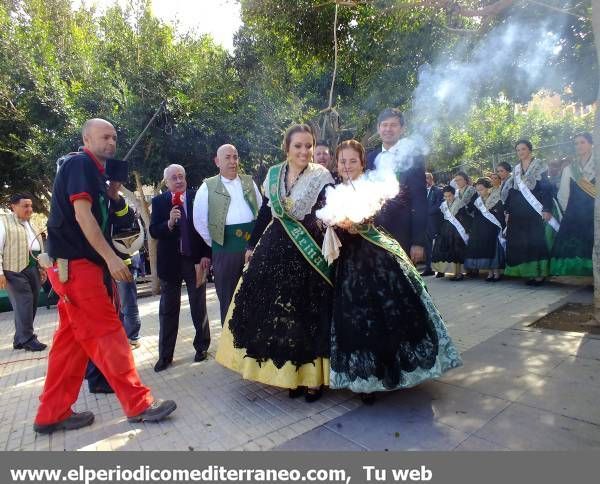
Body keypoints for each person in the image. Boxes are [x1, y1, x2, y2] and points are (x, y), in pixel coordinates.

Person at [34, 118, 176, 434]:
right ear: (87, 139)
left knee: (69, 344)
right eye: (104, 137)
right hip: (77, 267)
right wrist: (111, 258)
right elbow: (83, 216)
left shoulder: (97, 174)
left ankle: (50, 413)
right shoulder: (80, 164)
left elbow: (111, 220)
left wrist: (111, 194)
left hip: (73, 268)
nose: (111, 143)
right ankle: (139, 405)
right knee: (109, 334)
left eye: (114, 137)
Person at [328, 140, 462, 404]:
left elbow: (382, 218)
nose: (347, 165)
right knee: (355, 319)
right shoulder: (332, 189)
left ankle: (389, 373)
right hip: (347, 264)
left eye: (352, 161)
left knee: (382, 316)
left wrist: (361, 220)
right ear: (337, 163)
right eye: (342, 161)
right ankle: (365, 380)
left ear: (362, 163)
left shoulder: (374, 185)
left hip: (375, 259)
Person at [216, 124, 334, 403]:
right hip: (276, 248)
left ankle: (313, 380)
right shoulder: (273, 174)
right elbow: (265, 213)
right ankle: (292, 375)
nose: (304, 151)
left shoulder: (322, 175)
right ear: (287, 148)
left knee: (308, 313)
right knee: (284, 315)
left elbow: (329, 211)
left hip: (309, 251)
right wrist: (252, 244)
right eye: (298, 146)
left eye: (308, 145)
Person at [149, 164, 211, 372]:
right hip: (170, 264)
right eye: (174, 178)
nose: (178, 180)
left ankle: (202, 347)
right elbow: (154, 231)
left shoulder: (197, 197)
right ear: (166, 182)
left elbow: (205, 227)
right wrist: (168, 223)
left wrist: (205, 255)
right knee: (168, 310)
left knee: (198, 305)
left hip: (194, 260)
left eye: (181, 176)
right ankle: (165, 356)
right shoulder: (159, 202)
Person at [193, 144, 262, 325]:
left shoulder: (249, 182)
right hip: (225, 251)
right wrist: (219, 242)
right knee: (229, 300)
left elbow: (262, 213)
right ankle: (229, 349)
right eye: (227, 157)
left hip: (252, 248)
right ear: (217, 161)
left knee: (256, 298)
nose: (233, 161)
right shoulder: (206, 187)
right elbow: (199, 222)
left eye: (235, 157)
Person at [366, 108, 427, 263]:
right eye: (384, 125)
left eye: (393, 125)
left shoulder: (414, 158)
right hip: (372, 236)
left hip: (402, 236)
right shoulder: (369, 158)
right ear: (378, 128)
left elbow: (419, 201)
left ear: (402, 129)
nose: (388, 129)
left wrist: (418, 242)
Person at [504, 140, 555, 285]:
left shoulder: (539, 165)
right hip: (519, 210)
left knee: (536, 240)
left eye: (523, 149)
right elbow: (513, 191)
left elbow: (546, 188)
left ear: (530, 150)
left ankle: (539, 274)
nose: (520, 152)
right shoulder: (517, 169)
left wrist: (546, 208)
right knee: (523, 241)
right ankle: (529, 273)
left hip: (535, 209)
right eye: (518, 150)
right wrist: (508, 210)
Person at [0, 193, 47, 352]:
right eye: (25, 206)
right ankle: (28, 338)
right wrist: (0, 273)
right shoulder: (4, 222)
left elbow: (37, 248)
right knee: (24, 302)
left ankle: (18, 339)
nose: (30, 209)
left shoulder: (31, 224)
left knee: (32, 303)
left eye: (30, 206)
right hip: (13, 269)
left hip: (32, 267)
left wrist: (41, 268)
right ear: (13, 206)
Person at [551, 133, 595, 276]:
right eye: (576, 143)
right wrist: (569, 213)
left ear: (591, 144)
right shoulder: (570, 169)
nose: (579, 146)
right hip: (575, 214)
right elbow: (563, 194)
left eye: (582, 142)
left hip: (595, 213)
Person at [464, 177, 505, 282]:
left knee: (493, 249)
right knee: (485, 249)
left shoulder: (495, 198)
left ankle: (497, 273)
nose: (479, 192)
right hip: (481, 227)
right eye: (477, 190)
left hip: (492, 227)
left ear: (488, 188)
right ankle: (490, 272)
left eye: (481, 189)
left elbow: (500, 213)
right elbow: (473, 213)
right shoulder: (477, 201)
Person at [431, 185, 472, 281]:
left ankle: (460, 273)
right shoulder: (443, 205)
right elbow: (441, 218)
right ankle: (452, 272)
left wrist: (466, 230)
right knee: (448, 251)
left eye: (449, 196)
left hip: (457, 231)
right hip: (446, 229)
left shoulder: (460, 204)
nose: (447, 198)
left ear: (454, 194)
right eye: (445, 196)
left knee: (458, 251)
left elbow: (465, 218)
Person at [421, 172, 444, 277]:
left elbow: (439, 204)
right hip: (424, 224)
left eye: (427, 178)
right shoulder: (420, 192)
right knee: (427, 247)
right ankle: (429, 268)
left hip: (435, 223)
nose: (425, 180)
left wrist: (426, 212)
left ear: (431, 179)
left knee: (437, 247)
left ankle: (440, 270)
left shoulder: (438, 191)